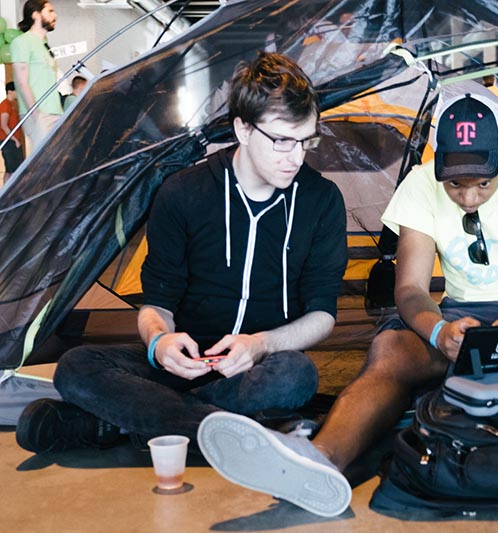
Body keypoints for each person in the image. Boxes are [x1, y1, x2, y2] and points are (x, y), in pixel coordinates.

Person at [196, 93, 498, 517]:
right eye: (455, 184)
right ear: (439, 165)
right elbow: (412, 290)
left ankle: (470, 392)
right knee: (392, 349)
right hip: (460, 317)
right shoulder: (420, 183)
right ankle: (319, 459)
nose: (469, 198)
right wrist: (439, 331)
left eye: (482, 184)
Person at [15, 52, 348, 456]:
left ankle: (118, 424)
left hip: (256, 367)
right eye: (281, 140)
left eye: (306, 140)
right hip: (182, 364)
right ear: (243, 129)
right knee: (77, 365)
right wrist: (160, 343)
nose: (295, 157)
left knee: (296, 375)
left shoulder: (321, 200)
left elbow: (322, 315)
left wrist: (260, 344)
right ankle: (220, 431)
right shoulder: (183, 192)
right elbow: (158, 303)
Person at [10, 0, 63, 150]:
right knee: (46, 159)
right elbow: (22, 82)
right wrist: (35, 113)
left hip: (56, 112)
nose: (55, 15)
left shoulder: (44, 44)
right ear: (36, 15)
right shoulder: (22, 42)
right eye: (50, 11)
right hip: (39, 114)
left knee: (60, 158)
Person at [0, 82, 24, 184]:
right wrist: (15, 140)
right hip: (8, 141)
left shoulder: (12, 105)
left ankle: (6, 190)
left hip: (11, 140)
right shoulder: (5, 105)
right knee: (13, 170)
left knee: (10, 170)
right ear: (10, 92)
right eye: (16, 91)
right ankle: (12, 191)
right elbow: (3, 125)